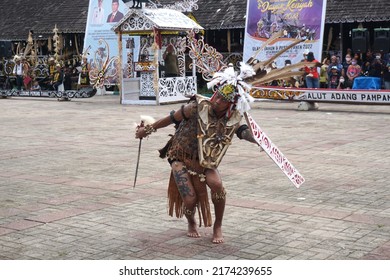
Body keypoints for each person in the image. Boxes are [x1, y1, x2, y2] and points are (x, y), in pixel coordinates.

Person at [135, 65, 258, 244]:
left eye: (223, 100)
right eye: (217, 96)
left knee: (217, 184)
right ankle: (191, 222)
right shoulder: (196, 107)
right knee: (190, 198)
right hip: (181, 154)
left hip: (206, 160)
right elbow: (171, 119)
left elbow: (243, 131)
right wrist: (147, 129)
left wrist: (257, 139)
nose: (217, 101)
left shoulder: (231, 119)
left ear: (230, 105)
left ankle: (217, 225)